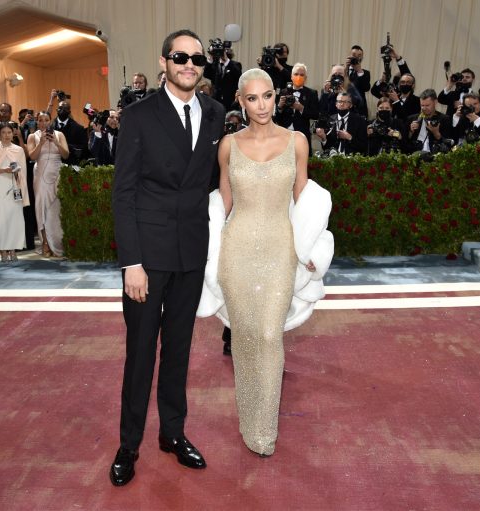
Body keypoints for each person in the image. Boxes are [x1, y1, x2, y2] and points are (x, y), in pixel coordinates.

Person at [110, 28, 225, 487]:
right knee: (140, 355)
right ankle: (129, 443)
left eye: (198, 59)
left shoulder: (216, 114)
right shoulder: (138, 116)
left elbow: (213, 184)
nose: (189, 64)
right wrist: (131, 262)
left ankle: (173, 434)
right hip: (148, 258)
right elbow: (124, 194)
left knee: (179, 351)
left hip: (190, 254)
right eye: (180, 57)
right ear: (163, 62)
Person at [212, 68, 327, 457]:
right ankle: (251, 423)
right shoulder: (228, 145)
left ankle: (266, 429)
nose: (261, 105)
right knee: (244, 341)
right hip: (237, 249)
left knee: (267, 336)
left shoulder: (296, 142)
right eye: (252, 98)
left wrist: (310, 248)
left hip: (280, 249)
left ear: (275, 97)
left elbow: (303, 202)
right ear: (241, 102)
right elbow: (224, 204)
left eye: (267, 96)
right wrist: (202, 246)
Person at [0, 123, 29, 262]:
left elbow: (23, 171)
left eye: (9, 132)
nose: (7, 135)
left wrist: (15, 173)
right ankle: (3, 251)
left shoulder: (18, 150)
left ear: (13, 134)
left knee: (14, 218)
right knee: (0, 218)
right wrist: (4, 170)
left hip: (14, 185)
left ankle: (13, 250)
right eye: (4, 132)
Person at [27, 112, 68, 257]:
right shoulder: (33, 136)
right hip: (40, 174)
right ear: (37, 122)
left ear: (51, 121)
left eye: (46, 120)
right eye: (40, 120)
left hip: (57, 173)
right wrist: (42, 142)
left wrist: (55, 142)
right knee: (41, 207)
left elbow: (66, 155)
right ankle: (45, 242)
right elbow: (32, 156)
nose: (43, 123)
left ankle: (57, 242)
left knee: (57, 209)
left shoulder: (60, 134)